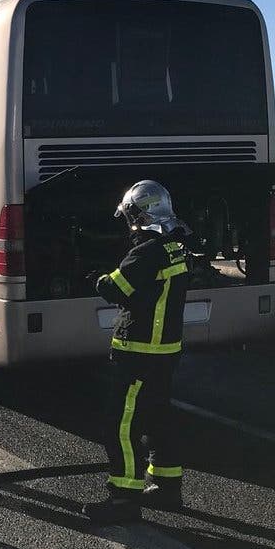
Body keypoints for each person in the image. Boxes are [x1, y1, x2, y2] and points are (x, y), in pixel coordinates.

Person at [83, 180, 191, 524]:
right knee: (159, 418)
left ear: (139, 214)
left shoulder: (145, 251)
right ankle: (167, 486)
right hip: (164, 352)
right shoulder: (174, 246)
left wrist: (96, 278)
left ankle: (123, 499)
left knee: (122, 424)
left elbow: (117, 288)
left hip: (139, 353)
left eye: (130, 215)